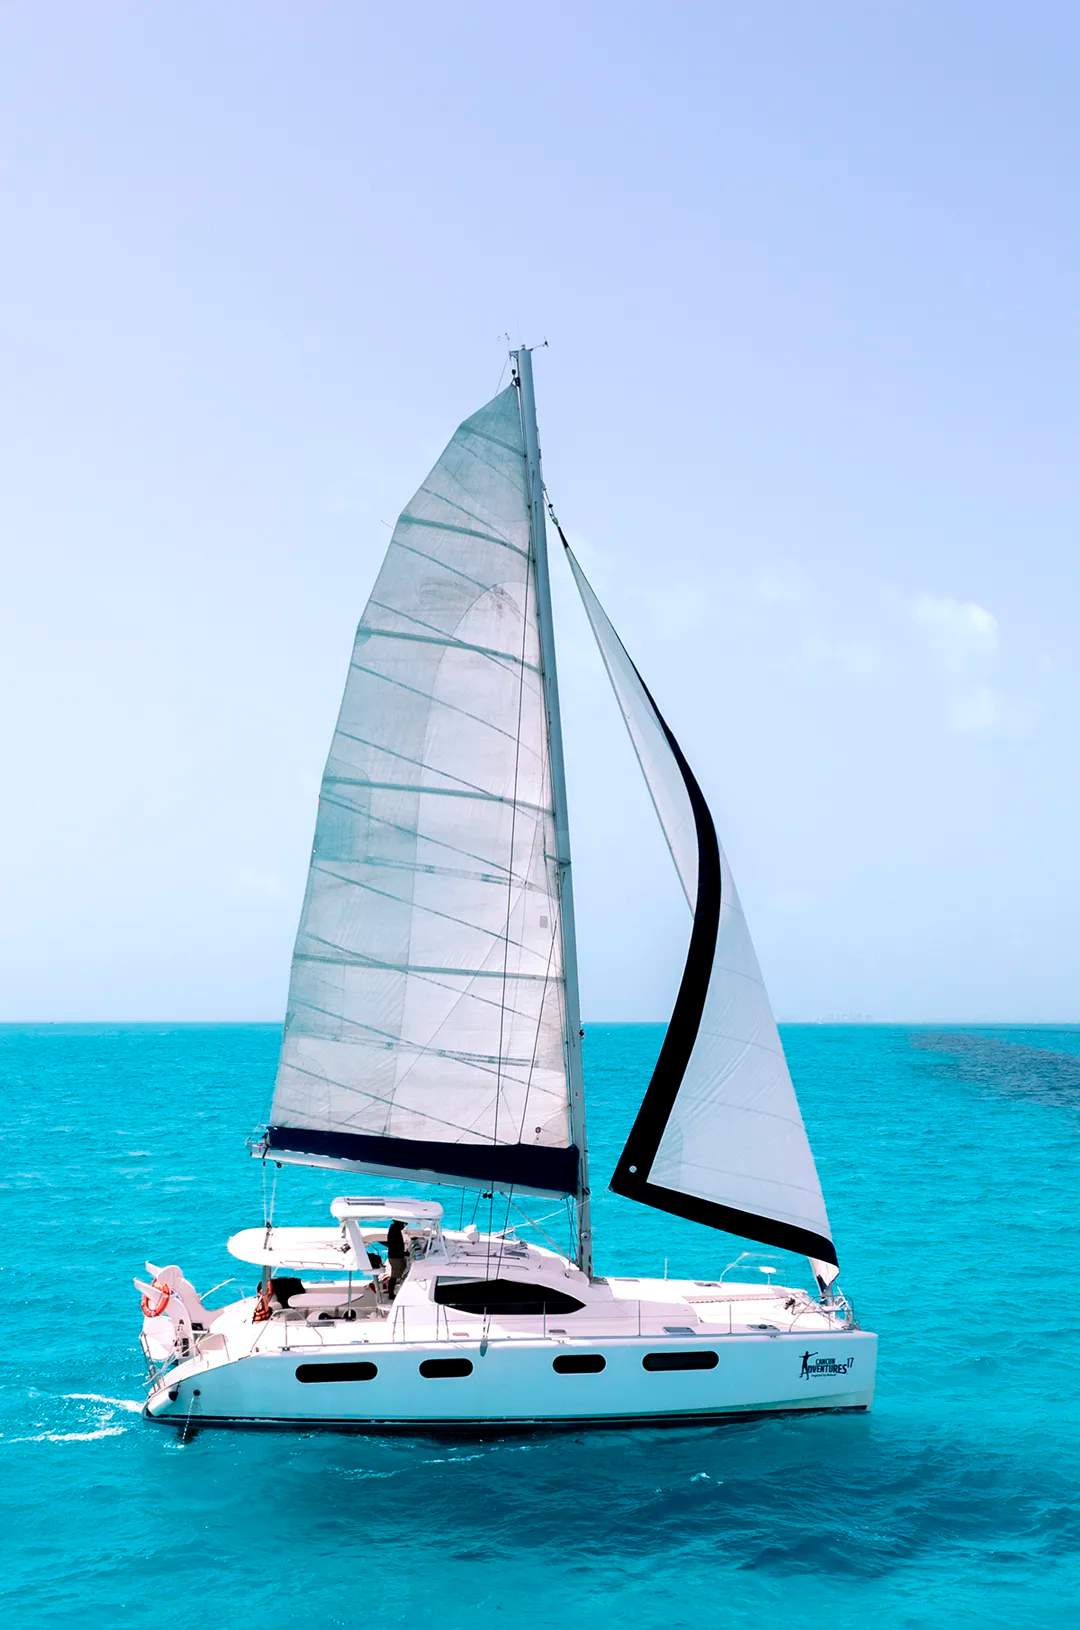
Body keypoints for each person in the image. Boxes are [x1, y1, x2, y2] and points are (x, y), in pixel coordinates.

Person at [386, 1218, 408, 1296]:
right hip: (395, 1256)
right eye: (403, 1224)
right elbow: (396, 1245)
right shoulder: (395, 1231)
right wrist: (404, 1253)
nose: (404, 1226)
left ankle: (391, 1291)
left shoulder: (394, 1229)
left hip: (395, 1255)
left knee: (396, 1274)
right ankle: (391, 1293)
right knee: (394, 1276)